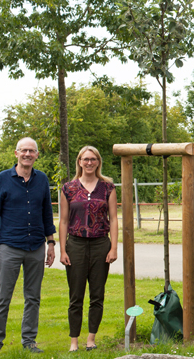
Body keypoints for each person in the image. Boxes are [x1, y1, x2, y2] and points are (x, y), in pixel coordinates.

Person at [0, 137, 56, 355]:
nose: (27, 154)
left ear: (36, 155)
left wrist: (51, 243)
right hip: (10, 246)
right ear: (16, 153)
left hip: (36, 246)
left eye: (31, 151)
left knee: (33, 296)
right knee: (3, 296)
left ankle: (29, 341)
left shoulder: (42, 180)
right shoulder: (3, 179)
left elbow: (47, 213)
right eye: (23, 150)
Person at [59, 146, 118, 352]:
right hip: (75, 244)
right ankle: (74, 341)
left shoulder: (108, 187)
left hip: (101, 244)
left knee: (97, 294)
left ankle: (91, 339)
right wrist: (63, 250)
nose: (90, 163)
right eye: (86, 159)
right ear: (79, 161)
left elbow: (114, 218)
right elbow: (64, 220)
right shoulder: (68, 188)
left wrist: (114, 248)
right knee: (76, 296)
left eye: (93, 159)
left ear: (98, 162)